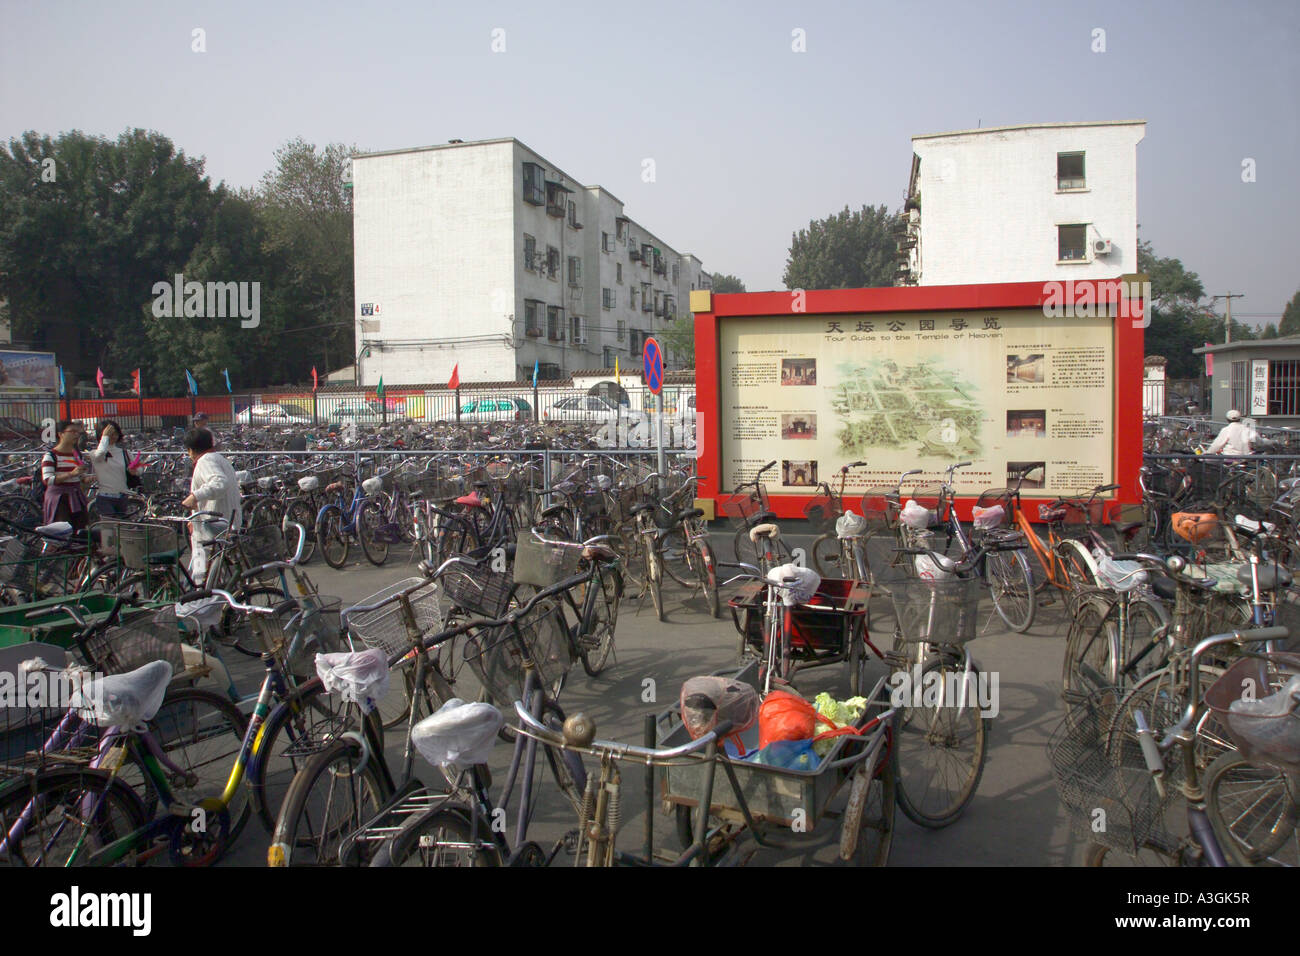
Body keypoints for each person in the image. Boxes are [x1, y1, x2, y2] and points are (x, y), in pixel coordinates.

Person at [180, 427, 242, 584]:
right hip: (224, 526)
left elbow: (219, 482)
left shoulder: (205, 461)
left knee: (200, 577)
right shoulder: (218, 459)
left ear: (191, 450)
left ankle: (199, 604)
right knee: (224, 577)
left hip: (211, 530)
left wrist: (194, 496)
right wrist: (193, 518)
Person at [41, 420, 92, 530]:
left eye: (78, 432)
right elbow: (47, 480)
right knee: (62, 534)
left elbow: (79, 475)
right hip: (59, 499)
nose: (76, 435)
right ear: (61, 434)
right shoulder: (51, 456)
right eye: (72, 431)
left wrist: (85, 478)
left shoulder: (76, 455)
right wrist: (71, 474)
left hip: (76, 497)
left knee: (80, 531)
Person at [86, 419, 141, 518]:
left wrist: (134, 471)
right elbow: (100, 453)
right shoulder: (94, 453)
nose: (113, 436)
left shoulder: (125, 452)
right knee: (109, 528)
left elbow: (139, 469)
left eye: (115, 433)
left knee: (121, 527)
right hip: (105, 497)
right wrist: (105, 437)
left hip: (122, 496)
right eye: (109, 434)